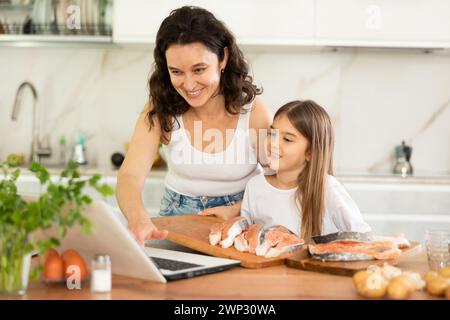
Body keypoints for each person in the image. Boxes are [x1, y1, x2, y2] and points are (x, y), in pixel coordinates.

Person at [116, 6, 272, 245]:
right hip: (176, 222)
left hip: (240, 222)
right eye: (176, 71)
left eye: (199, 69)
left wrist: (239, 209)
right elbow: (129, 174)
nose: (189, 84)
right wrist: (138, 219)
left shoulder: (254, 112)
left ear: (223, 58)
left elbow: (282, 179)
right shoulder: (161, 109)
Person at [240, 100, 371, 242]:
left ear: (310, 152)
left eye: (287, 139)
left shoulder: (327, 188)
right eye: (272, 133)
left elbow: (364, 237)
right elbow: (245, 237)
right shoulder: (254, 186)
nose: (274, 143)